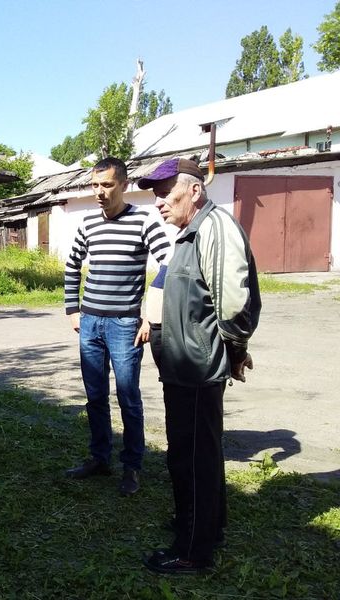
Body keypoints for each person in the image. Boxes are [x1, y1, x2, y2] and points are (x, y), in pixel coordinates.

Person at [137, 158, 261, 574]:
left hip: (197, 366)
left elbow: (234, 304)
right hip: (184, 364)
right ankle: (207, 525)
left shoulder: (214, 228)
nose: (158, 203)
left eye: (165, 193)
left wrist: (235, 351)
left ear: (194, 191)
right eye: (155, 195)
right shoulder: (189, 232)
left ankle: (193, 549)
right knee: (197, 452)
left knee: (191, 456)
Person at [64, 156, 170, 496]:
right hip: (90, 322)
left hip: (125, 324)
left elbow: (169, 265)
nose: (99, 192)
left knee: (128, 397)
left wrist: (150, 316)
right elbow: (71, 265)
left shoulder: (144, 222)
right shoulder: (88, 223)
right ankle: (99, 458)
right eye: (95, 185)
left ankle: (132, 467)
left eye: (107, 185)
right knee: (95, 397)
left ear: (123, 185)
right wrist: (72, 310)